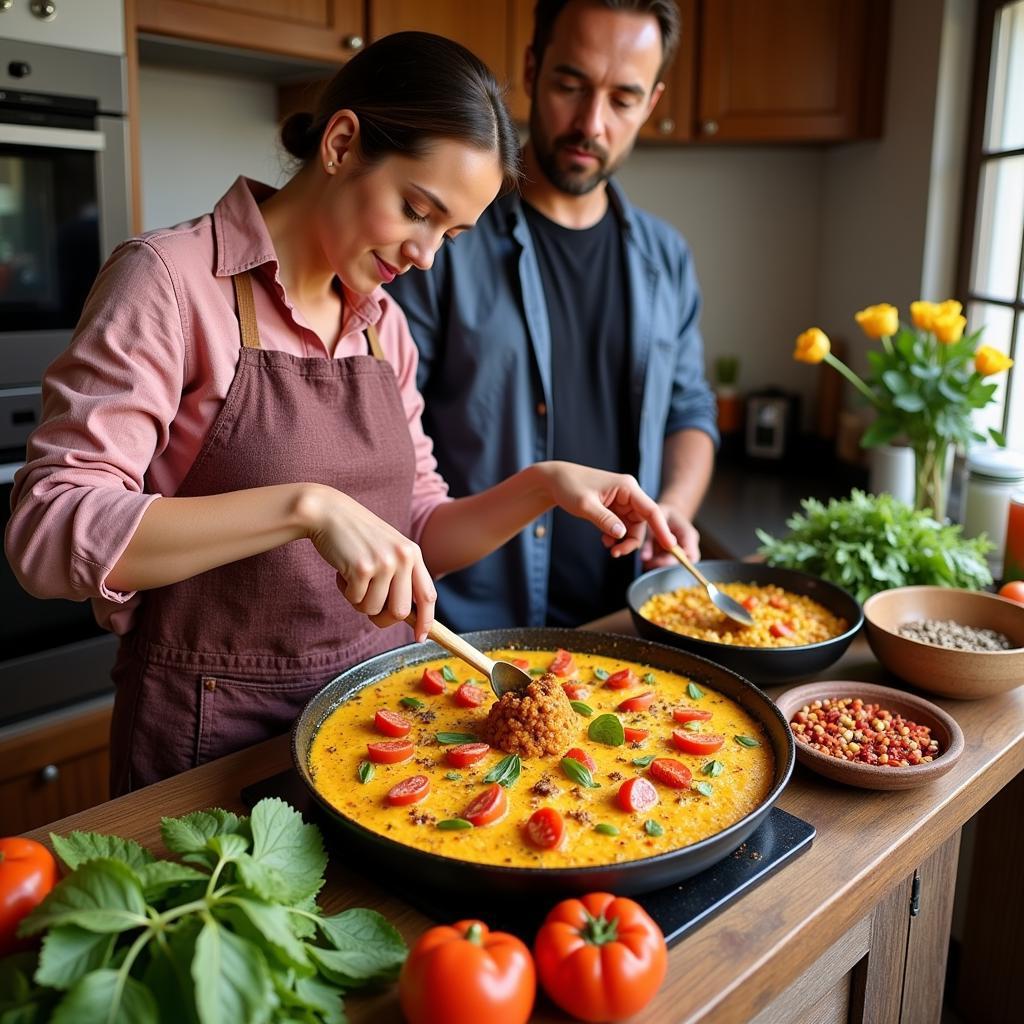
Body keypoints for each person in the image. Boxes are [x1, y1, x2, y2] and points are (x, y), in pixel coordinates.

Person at [4, 31, 677, 795]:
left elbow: (417, 530)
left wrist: (542, 486)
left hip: (374, 734)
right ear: (343, 142)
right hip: (209, 749)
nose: (426, 255)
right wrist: (305, 507)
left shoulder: (383, 326)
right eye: (416, 210)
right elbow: (48, 530)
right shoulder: (169, 283)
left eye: (450, 234)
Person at [387, 0, 718, 631]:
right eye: (571, 85)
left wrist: (674, 504)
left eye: (623, 99)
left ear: (652, 104)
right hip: (469, 624)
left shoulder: (666, 256)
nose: (591, 121)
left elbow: (690, 408)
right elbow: (388, 432)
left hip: (622, 616)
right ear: (534, 70)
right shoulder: (443, 243)